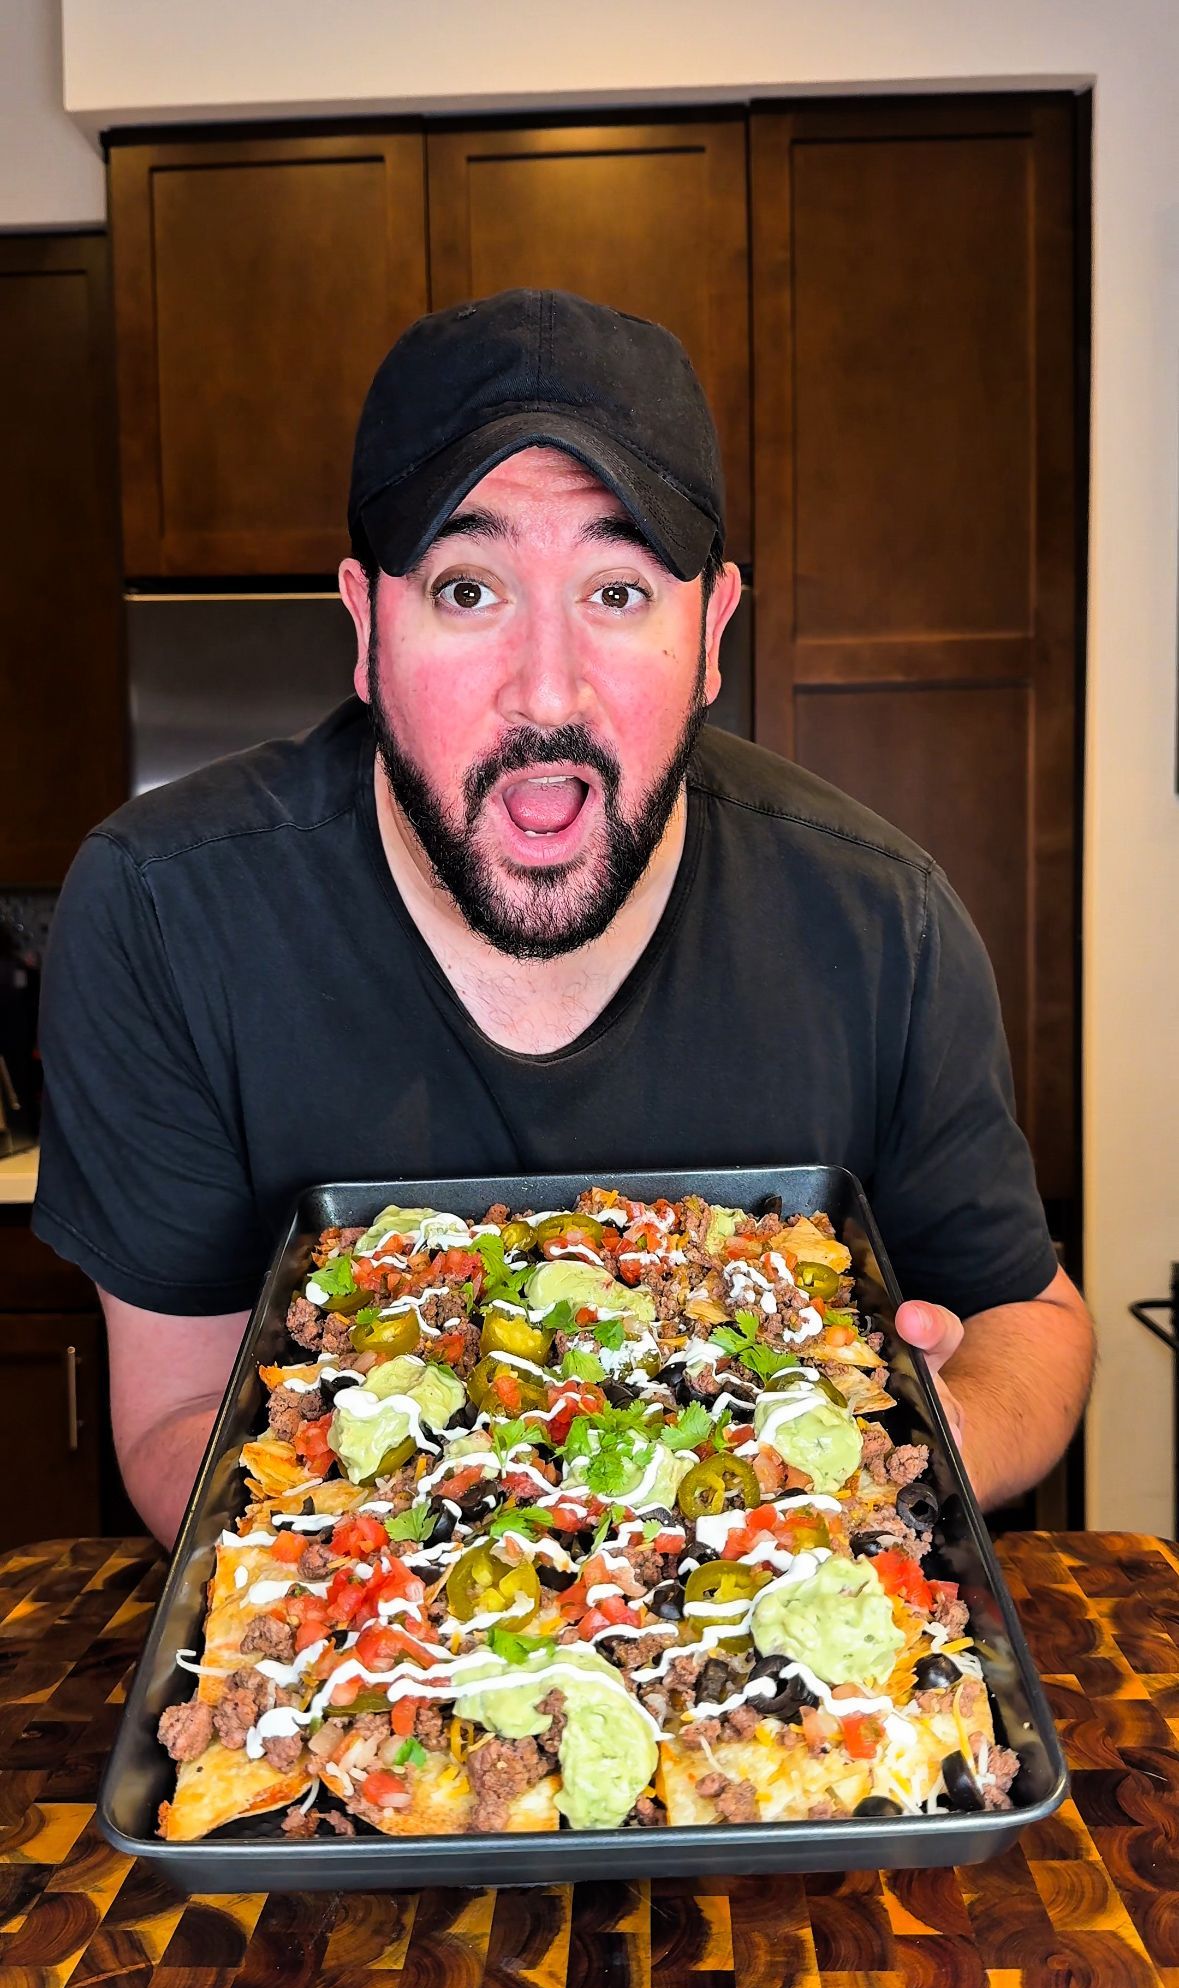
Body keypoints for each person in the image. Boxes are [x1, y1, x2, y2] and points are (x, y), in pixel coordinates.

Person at [32, 288, 1093, 1548]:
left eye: (620, 591)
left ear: (712, 636)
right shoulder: (165, 911)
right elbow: (179, 1413)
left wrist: (920, 1440)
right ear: (368, 631)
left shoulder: (882, 922)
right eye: (470, 590)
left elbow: (1034, 1324)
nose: (548, 691)